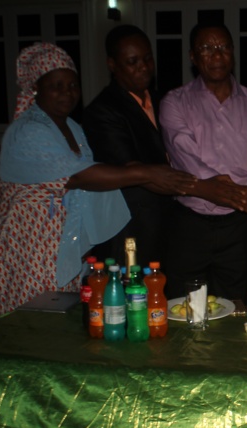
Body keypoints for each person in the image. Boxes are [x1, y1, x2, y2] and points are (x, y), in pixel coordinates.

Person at [0, 42, 195, 326]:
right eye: (56, 85)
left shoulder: (72, 128)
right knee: (30, 323)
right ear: (36, 88)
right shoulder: (28, 130)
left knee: (62, 320)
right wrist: (146, 174)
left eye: (73, 84)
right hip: (28, 242)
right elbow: (79, 176)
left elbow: (95, 171)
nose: (67, 92)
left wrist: (133, 169)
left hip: (62, 240)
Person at [160, 22, 247, 302]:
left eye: (223, 47)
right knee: (185, 307)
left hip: (242, 226)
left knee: (236, 308)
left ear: (233, 52)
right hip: (191, 224)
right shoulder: (174, 102)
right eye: (207, 48)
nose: (216, 55)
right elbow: (186, 158)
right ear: (192, 56)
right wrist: (238, 194)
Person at [82, 25, 173, 268]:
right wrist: (200, 186)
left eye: (147, 58)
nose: (143, 66)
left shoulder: (162, 99)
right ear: (112, 64)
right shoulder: (102, 110)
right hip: (131, 228)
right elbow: (134, 169)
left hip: (167, 223)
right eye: (132, 61)